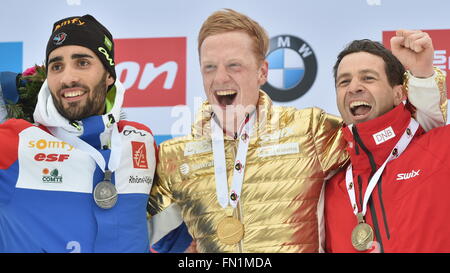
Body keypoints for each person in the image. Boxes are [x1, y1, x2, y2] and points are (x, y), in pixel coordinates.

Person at [147, 9, 446, 253]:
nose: (220, 78)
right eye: (209, 67)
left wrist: (420, 79)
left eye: (234, 65)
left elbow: (395, 139)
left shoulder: (310, 131)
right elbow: (151, 234)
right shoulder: (174, 156)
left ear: (263, 72)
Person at [0, 14, 156, 252]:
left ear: (109, 75)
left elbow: (177, 235)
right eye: (56, 66)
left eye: (82, 63)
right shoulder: (14, 142)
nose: (67, 78)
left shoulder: (140, 140)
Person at [324, 33, 450, 252]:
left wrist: (422, 76)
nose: (354, 87)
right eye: (344, 81)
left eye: (368, 78)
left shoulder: (441, 149)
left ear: (398, 93)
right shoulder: (329, 189)